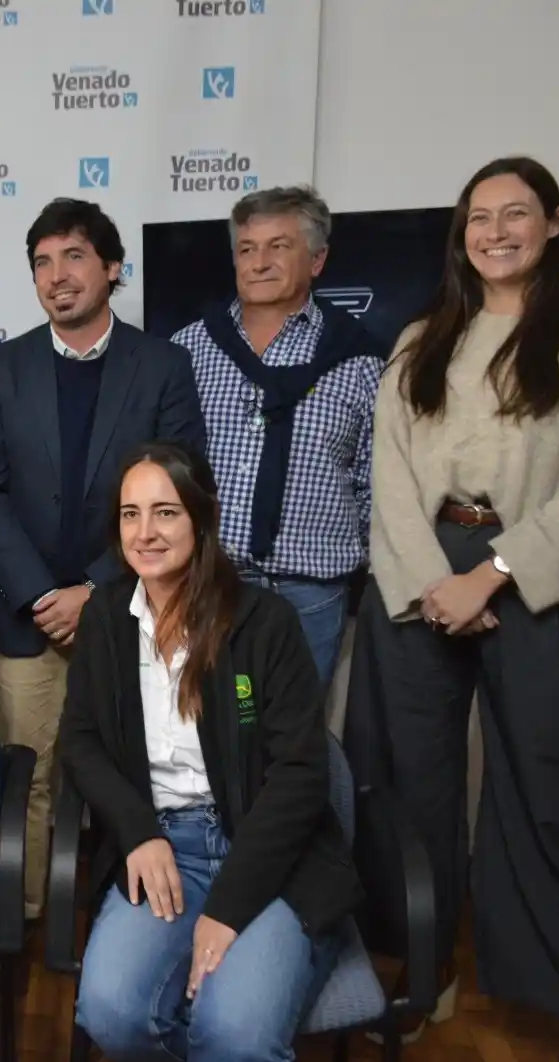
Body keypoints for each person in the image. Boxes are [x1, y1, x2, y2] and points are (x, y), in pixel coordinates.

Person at [347, 155, 559, 1037]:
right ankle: (421, 972)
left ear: (555, 223)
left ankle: (544, 982)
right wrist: (434, 580)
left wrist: (495, 572)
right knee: (410, 780)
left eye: (516, 213)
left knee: (538, 782)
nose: (495, 231)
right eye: (478, 217)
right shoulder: (421, 338)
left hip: (532, 575)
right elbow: (389, 475)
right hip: (421, 572)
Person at [59, 442, 359, 1062]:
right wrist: (140, 833)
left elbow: (301, 775)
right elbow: (81, 741)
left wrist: (226, 910)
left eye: (165, 512)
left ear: (202, 517)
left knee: (235, 1035)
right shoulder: (107, 617)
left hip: (268, 857)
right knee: (112, 1013)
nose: (145, 532)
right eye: (129, 514)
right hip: (164, 847)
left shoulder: (264, 621)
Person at [0, 197, 206, 918]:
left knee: (127, 771)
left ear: (110, 267)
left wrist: (96, 589)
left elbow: (179, 485)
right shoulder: (3, 368)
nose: (56, 275)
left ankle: (124, 910)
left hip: (134, 611)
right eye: (41, 261)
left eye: (72, 256)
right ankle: (36, 918)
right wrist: (43, 593)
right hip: (24, 615)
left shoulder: (161, 365)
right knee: (29, 775)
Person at [172, 186, 383, 688]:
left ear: (317, 258)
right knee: (202, 736)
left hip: (310, 594)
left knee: (295, 742)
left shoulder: (360, 361)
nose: (259, 262)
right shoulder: (189, 349)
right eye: (247, 249)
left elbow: (375, 483)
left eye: (279, 246)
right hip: (206, 584)